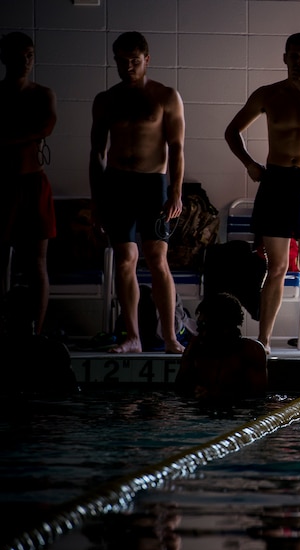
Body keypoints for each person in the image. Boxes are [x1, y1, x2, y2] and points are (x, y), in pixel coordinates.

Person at [225, 33, 300, 357]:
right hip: (276, 180)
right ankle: (263, 342)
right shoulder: (267, 94)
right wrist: (249, 164)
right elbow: (232, 131)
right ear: (285, 57)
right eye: (294, 56)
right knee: (276, 266)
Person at [89, 31, 185, 354]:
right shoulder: (106, 100)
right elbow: (97, 154)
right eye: (121, 61)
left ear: (147, 60)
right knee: (125, 259)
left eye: (134, 61)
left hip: (153, 184)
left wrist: (175, 191)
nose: (128, 67)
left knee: (157, 259)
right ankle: (132, 337)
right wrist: (96, 200)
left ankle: (170, 337)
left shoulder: (165, 96)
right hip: (117, 185)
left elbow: (177, 147)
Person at [0, 32, 57, 336]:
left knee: (37, 262)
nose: (25, 61)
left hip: (33, 183)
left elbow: (45, 126)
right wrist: (24, 133)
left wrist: (8, 137)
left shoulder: (42, 94)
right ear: (5, 58)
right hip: (4, 185)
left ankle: (37, 332)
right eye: (19, 55)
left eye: (30, 55)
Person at [175, 292, 267, 402]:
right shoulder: (195, 347)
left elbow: (257, 396)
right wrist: (195, 391)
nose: (199, 331)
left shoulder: (251, 351)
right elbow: (179, 390)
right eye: (199, 325)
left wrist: (219, 395)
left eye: (204, 325)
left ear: (225, 327)